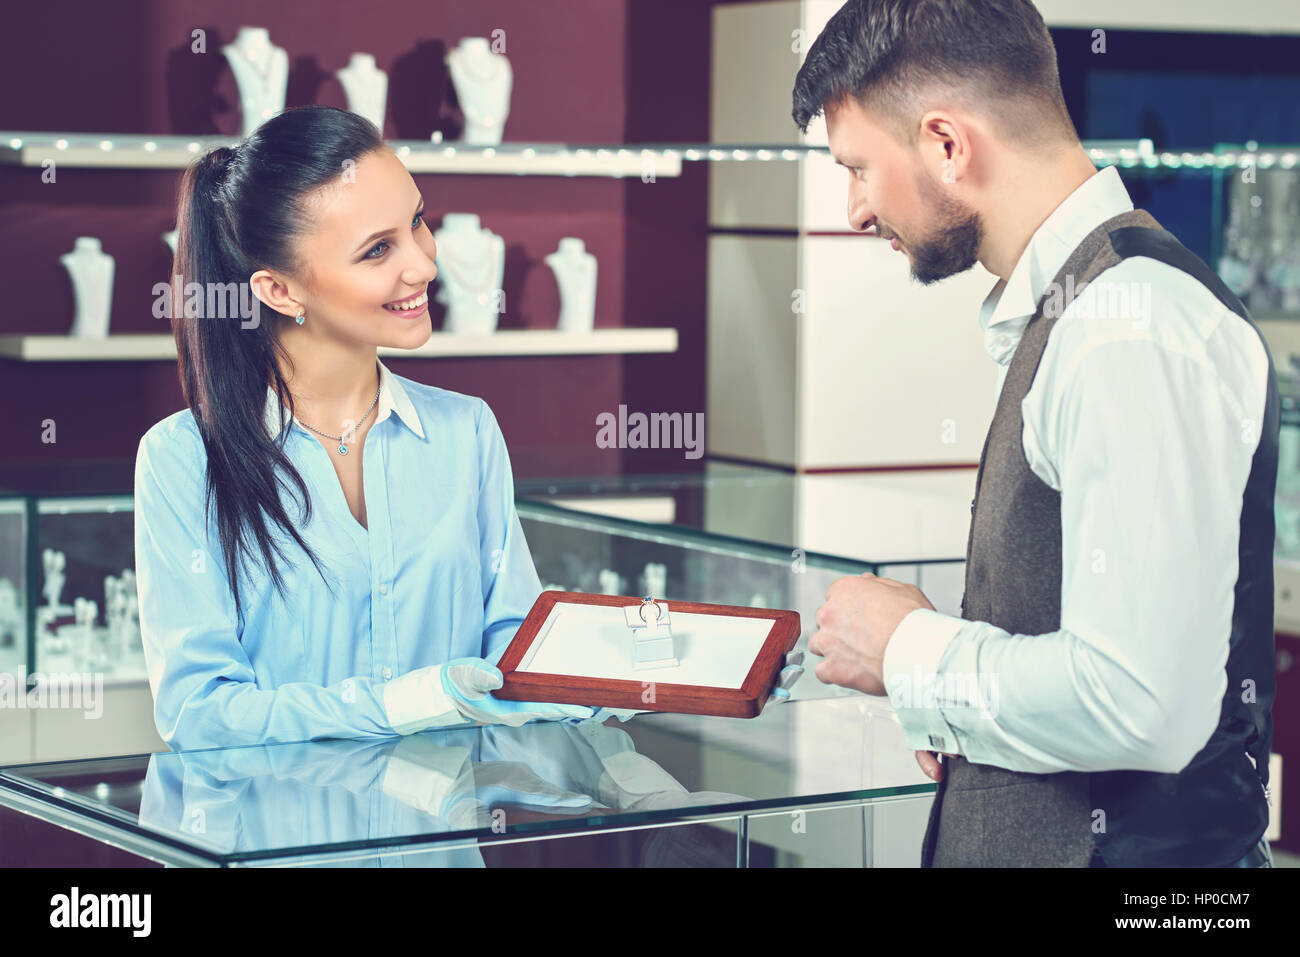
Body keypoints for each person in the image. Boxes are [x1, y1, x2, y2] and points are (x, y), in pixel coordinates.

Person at [797, 0, 1276, 867]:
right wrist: (957, 710)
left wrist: (909, 648)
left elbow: (1142, 703)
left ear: (947, 143)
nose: (856, 209)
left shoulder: (1129, 328)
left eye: (860, 168)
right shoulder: (1088, 310)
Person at [134, 105, 592, 752]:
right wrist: (406, 702)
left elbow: (517, 657)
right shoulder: (182, 459)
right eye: (378, 249)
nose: (425, 265)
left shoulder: (468, 433)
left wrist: (662, 671)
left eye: (417, 223)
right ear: (280, 291)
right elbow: (201, 713)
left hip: (439, 846)